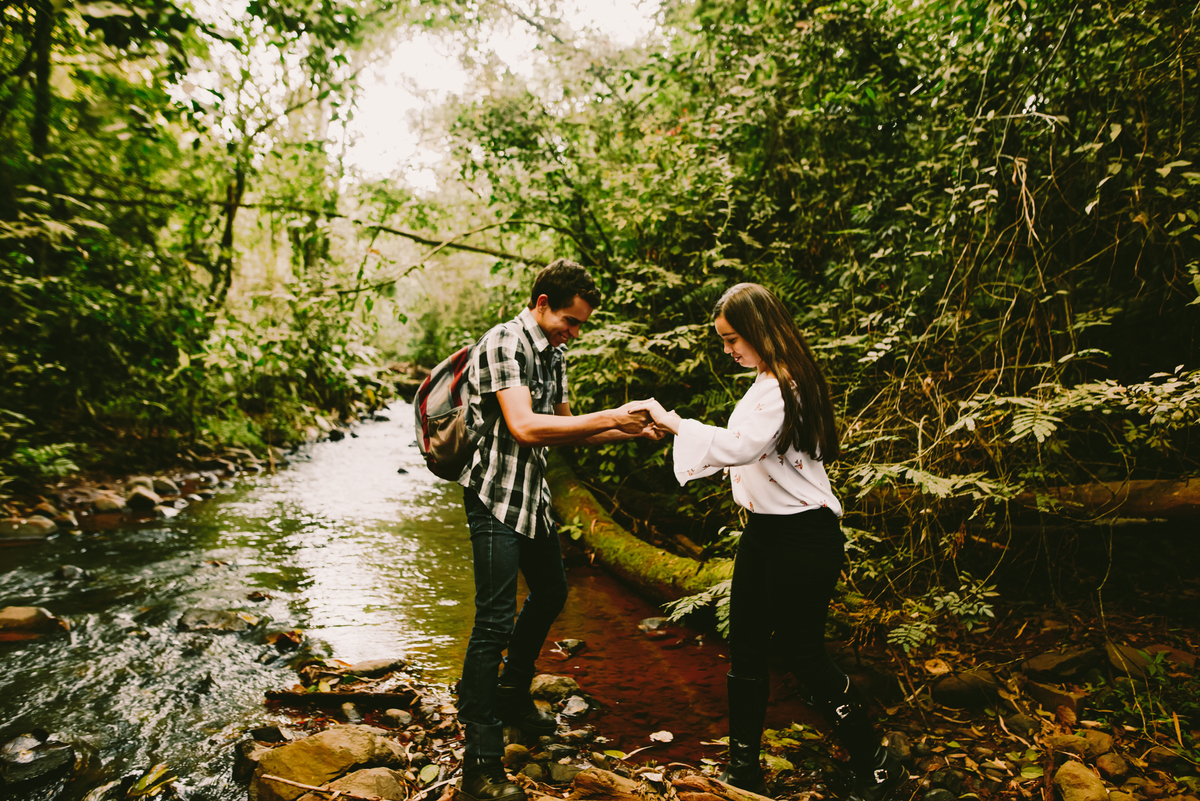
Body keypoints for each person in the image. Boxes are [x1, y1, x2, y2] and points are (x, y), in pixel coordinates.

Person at [640, 283, 904, 801]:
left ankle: (876, 762)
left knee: (804, 657)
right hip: (763, 535)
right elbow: (745, 454)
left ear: (760, 329)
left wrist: (674, 421)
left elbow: (742, 446)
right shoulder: (764, 380)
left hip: (805, 537)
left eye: (733, 338)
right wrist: (677, 436)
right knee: (746, 650)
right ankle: (744, 769)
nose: (728, 350)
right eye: (722, 341)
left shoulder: (786, 385)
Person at [455, 258, 660, 801]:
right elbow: (524, 427)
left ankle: (512, 695)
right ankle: (479, 764)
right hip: (493, 496)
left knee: (550, 592)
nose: (575, 332)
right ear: (542, 304)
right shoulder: (504, 342)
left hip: (533, 496)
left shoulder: (555, 354)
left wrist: (629, 431)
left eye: (581, 325)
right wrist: (613, 413)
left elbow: (568, 432)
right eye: (570, 320)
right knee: (494, 620)